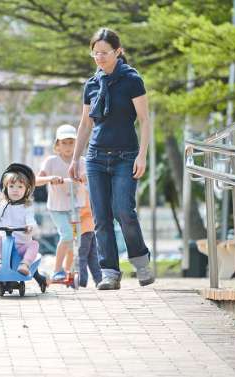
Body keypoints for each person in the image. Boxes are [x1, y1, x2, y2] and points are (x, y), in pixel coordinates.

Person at [68, 27, 154, 290]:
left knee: (123, 211)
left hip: (126, 156)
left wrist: (142, 156)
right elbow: (85, 125)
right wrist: (75, 159)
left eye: (105, 53)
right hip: (94, 157)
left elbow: (145, 120)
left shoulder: (132, 80)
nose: (100, 58)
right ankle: (109, 273)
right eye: (95, 54)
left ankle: (141, 263)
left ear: (118, 51)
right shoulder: (92, 84)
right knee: (101, 217)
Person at [36, 124, 84, 281]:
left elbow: (89, 177)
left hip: (75, 207)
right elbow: (36, 180)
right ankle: (57, 270)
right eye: (64, 142)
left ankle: (67, 270)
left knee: (74, 240)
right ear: (57, 144)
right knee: (67, 234)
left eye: (71, 142)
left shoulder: (81, 161)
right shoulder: (51, 162)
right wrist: (50, 178)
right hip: (57, 208)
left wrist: (84, 178)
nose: (68, 146)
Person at [0, 163, 47, 288]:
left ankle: (25, 264)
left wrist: (30, 227)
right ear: (5, 188)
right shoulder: (0, 207)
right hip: (5, 243)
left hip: (22, 244)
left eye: (20, 187)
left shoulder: (27, 207)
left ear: (26, 190)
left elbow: (31, 221)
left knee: (34, 245)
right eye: (12, 186)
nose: (15, 190)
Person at [77, 164, 102, 287]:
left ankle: (82, 280)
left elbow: (85, 209)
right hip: (91, 227)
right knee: (93, 256)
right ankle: (99, 279)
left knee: (81, 256)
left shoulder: (81, 190)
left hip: (84, 228)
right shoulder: (89, 189)